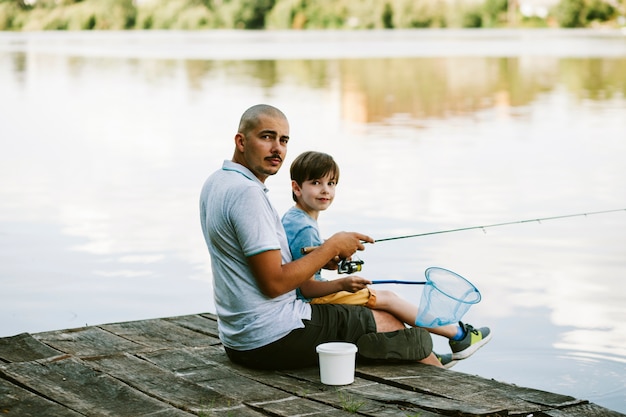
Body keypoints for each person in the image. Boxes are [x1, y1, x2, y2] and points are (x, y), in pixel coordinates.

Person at [199, 104, 441, 370]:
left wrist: (318, 259)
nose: (277, 148)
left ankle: (399, 357)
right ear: (241, 141)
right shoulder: (248, 194)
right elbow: (274, 283)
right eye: (266, 137)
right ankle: (443, 385)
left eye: (284, 140)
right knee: (389, 324)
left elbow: (255, 267)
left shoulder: (217, 182)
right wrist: (332, 246)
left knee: (382, 326)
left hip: (240, 340)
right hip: (274, 336)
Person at [281, 151, 492, 367]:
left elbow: (303, 261)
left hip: (310, 295)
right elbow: (306, 288)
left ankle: (432, 354)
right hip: (313, 299)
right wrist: (343, 284)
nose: (326, 189)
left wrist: (326, 256)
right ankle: (458, 336)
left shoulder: (294, 218)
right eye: (316, 182)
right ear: (296, 188)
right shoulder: (304, 227)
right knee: (389, 299)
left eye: (331, 183)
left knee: (386, 303)